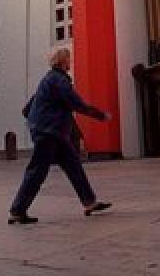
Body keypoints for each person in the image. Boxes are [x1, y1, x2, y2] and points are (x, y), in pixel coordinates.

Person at [9, 47, 112, 224]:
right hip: (50, 133)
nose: (70, 62)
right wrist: (100, 115)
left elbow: (26, 109)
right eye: (68, 59)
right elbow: (76, 103)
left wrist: (37, 121)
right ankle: (17, 210)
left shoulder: (48, 79)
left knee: (74, 167)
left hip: (52, 132)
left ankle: (89, 202)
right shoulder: (59, 80)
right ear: (62, 61)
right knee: (37, 171)